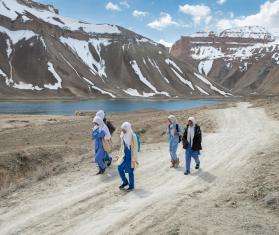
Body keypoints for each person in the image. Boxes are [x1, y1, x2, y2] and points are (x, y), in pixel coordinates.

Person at [117, 122, 139, 191]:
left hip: (131, 155)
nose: (122, 130)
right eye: (122, 129)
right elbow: (122, 146)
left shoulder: (133, 136)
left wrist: (134, 158)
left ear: (127, 128)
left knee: (130, 171)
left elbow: (135, 148)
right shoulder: (123, 135)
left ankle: (131, 186)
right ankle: (125, 182)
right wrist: (119, 155)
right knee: (119, 167)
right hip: (125, 155)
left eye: (124, 129)